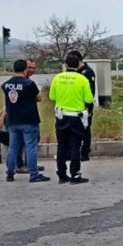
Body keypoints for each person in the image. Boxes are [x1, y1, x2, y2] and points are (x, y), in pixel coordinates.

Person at [2, 59, 49, 183]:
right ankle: (34, 174)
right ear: (24, 69)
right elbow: (38, 97)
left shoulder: (5, 85)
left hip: (12, 120)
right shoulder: (29, 84)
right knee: (31, 147)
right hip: (29, 120)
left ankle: (10, 173)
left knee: (13, 147)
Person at [48, 54, 93, 184]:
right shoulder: (82, 79)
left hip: (61, 117)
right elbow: (89, 99)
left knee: (61, 146)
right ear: (78, 64)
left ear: (66, 65)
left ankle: (62, 175)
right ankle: (75, 175)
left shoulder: (57, 78)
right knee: (75, 146)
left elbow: (52, 96)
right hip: (76, 117)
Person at [15, 59, 45, 173]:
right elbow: (38, 97)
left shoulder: (25, 81)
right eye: (29, 68)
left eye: (33, 68)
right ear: (23, 67)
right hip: (26, 118)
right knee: (25, 143)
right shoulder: (26, 83)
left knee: (28, 142)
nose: (31, 70)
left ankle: (29, 164)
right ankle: (23, 165)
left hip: (24, 116)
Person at [68, 50, 96, 162]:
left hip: (85, 106)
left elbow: (91, 91)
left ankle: (85, 152)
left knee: (85, 129)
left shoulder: (87, 72)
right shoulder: (75, 72)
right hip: (73, 106)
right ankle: (74, 151)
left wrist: (87, 106)